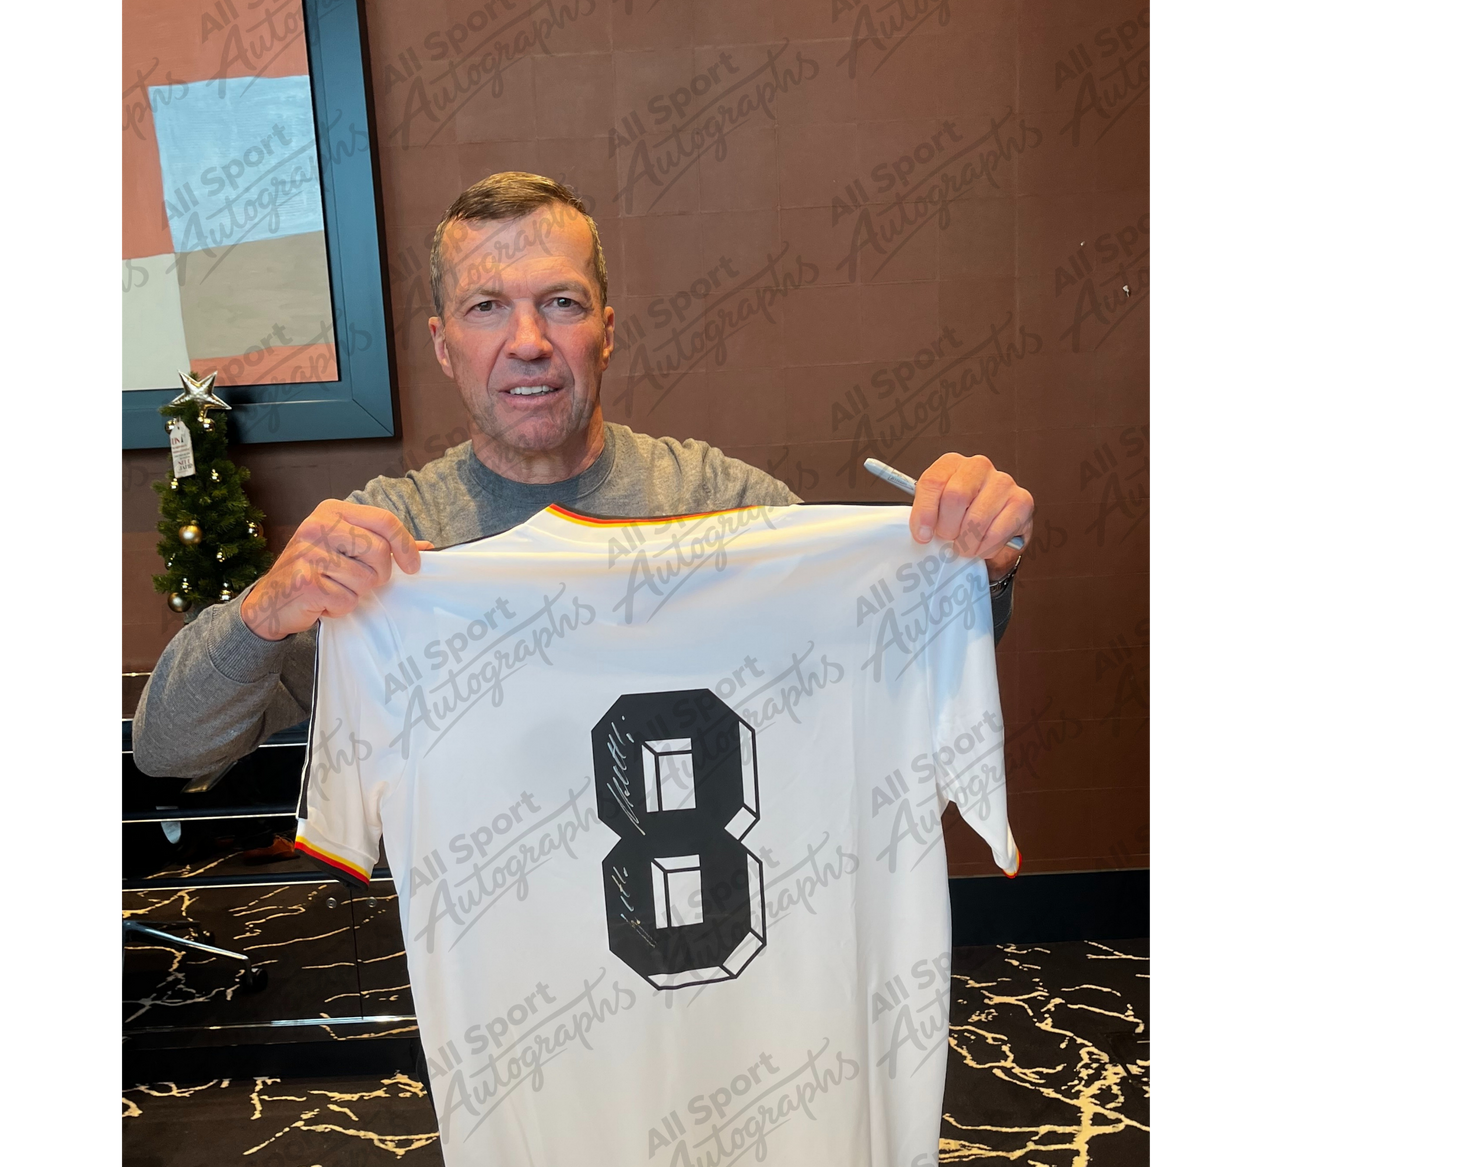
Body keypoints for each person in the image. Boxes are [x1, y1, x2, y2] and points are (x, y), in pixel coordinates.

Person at [132, 173, 1035, 779]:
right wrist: (263, 611)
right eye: (487, 307)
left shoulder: (716, 500)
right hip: (493, 989)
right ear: (444, 347)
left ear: (606, 330)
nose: (528, 341)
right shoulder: (384, 542)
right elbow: (168, 749)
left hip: (717, 967)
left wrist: (977, 564)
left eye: (560, 303)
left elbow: (896, 656)